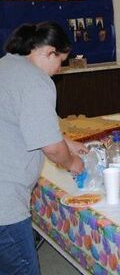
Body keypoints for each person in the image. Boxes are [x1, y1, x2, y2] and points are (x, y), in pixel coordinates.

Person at [0, 21, 87, 274]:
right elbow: (50, 147)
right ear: (49, 51)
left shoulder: (7, 66)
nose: (59, 69)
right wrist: (73, 162)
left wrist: (69, 143)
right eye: (61, 61)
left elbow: (24, 124)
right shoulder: (35, 80)